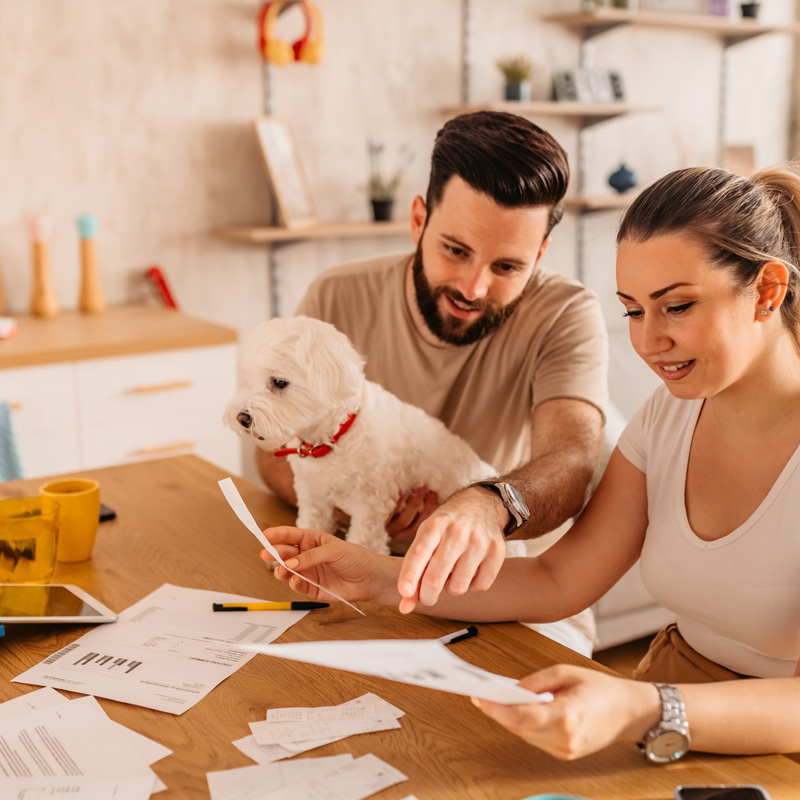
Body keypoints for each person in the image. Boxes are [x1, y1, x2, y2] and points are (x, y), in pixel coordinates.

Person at [260, 163, 800, 761]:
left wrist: (642, 706)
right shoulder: (668, 415)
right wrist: (381, 578)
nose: (647, 342)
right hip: (671, 714)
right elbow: (558, 578)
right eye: (633, 311)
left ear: (769, 292)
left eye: (676, 307)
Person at [257, 111, 608, 655]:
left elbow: (571, 461)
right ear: (419, 220)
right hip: (354, 575)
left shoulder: (566, 313)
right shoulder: (335, 298)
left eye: (508, 267)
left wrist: (485, 506)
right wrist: (354, 501)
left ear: (539, 256)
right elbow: (274, 447)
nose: (474, 286)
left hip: (508, 594)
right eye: (456, 250)